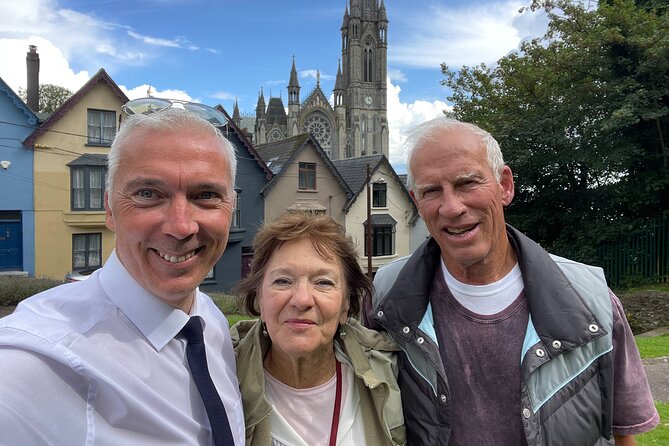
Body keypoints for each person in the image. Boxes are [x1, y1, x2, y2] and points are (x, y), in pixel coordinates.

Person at [369, 117, 659, 446]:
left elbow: (623, 435)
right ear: (417, 202)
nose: (451, 207)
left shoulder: (591, 300)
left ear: (505, 185)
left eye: (467, 183)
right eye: (431, 191)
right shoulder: (385, 298)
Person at [0, 103, 245, 445]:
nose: (181, 226)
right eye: (148, 194)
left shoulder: (210, 321)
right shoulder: (34, 365)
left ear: (231, 207)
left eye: (205, 196)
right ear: (109, 209)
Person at [231, 212, 406, 446]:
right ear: (259, 300)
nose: (302, 300)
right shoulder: (222, 375)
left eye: (323, 282)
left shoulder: (392, 371)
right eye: (283, 281)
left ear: (346, 306)